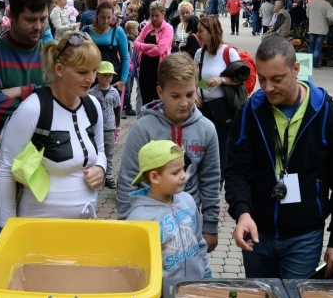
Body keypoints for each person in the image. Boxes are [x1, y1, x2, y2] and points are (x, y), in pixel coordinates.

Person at [225, 36, 333, 278]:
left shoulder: (328, 114)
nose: (268, 87)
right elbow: (236, 171)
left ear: (296, 69)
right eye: (262, 79)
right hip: (256, 233)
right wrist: (242, 213)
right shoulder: (248, 113)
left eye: (277, 79)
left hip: (304, 237)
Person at [0, 0, 52, 256]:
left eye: (43, 19)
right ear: (12, 15)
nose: (38, 27)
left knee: (40, 252)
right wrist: (42, 96)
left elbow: (68, 102)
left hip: (45, 170)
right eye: (30, 20)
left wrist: (20, 92)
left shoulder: (53, 53)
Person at [0, 31, 106, 224]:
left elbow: (101, 149)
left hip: (84, 228)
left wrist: (100, 168)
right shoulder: (33, 109)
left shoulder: (93, 105)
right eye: (82, 72)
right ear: (60, 69)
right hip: (39, 227)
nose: (91, 78)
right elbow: (5, 168)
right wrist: (8, 227)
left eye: (94, 70)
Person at [118, 52, 220, 238]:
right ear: (160, 92)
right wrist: (127, 224)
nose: (184, 102)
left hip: (189, 221)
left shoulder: (207, 129)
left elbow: (211, 180)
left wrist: (210, 225)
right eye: (175, 95)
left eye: (190, 94)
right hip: (148, 223)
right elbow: (128, 178)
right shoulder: (143, 129)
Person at [127, 140, 212, 298]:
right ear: (154, 177)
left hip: (191, 292)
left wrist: (206, 276)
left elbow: (199, 241)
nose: (184, 175)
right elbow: (133, 269)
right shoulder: (140, 219)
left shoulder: (187, 200)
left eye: (183, 168)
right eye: (176, 172)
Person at [194, 16, 242, 176]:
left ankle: (219, 178)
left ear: (212, 32)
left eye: (201, 31)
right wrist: (195, 92)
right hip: (203, 107)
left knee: (222, 145)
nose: (198, 34)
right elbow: (198, 79)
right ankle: (205, 174)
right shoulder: (200, 53)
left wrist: (221, 80)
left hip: (222, 108)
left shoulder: (229, 52)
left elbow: (241, 78)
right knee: (203, 144)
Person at [83, 1, 129, 93]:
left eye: (109, 17)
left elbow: (125, 58)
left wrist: (123, 81)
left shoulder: (118, 31)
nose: (106, 21)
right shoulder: (86, 30)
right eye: (103, 17)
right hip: (91, 78)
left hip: (112, 79)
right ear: (97, 15)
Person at [134, 2, 174, 105]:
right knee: (145, 99)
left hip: (159, 68)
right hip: (144, 66)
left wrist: (143, 49)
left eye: (157, 15)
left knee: (158, 99)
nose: (154, 18)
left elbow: (160, 50)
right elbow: (136, 45)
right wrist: (149, 46)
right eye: (152, 15)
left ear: (163, 14)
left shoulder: (168, 28)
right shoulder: (147, 26)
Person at [89, 61, 121, 189]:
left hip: (109, 127)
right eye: (105, 75)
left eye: (110, 75)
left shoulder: (114, 92)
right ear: (97, 75)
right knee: (94, 151)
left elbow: (117, 109)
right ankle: (95, 175)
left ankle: (109, 176)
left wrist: (117, 124)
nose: (108, 78)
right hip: (94, 128)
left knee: (109, 153)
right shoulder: (91, 92)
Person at [306, 0, 333, 68]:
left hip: (312, 28)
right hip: (321, 29)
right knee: (317, 47)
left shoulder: (311, 3)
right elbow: (330, 18)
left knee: (311, 47)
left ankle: (309, 64)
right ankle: (315, 64)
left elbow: (307, 15)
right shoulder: (326, 4)